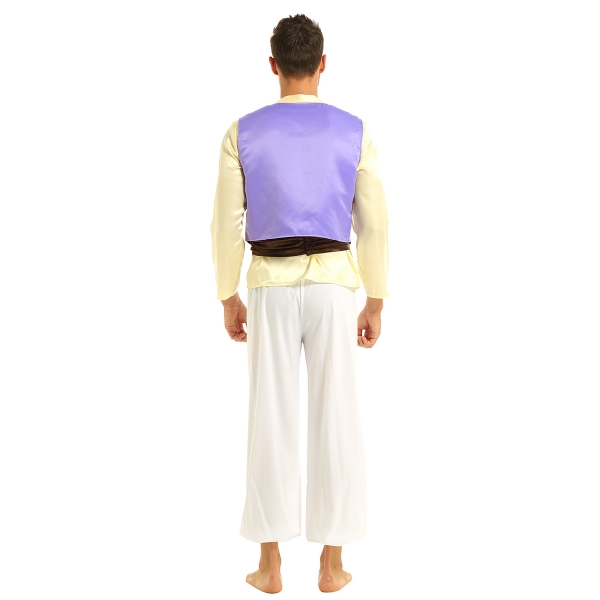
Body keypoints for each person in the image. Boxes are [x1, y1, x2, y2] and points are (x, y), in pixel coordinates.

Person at [210, 14, 389, 594]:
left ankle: (269, 565)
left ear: (273, 66)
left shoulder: (242, 132)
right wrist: (376, 299)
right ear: (322, 64)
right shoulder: (355, 131)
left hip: (269, 285)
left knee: (269, 417)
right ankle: (332, 564)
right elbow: (374, 224)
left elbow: (225, 223)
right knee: (337, 416)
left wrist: (228, 294)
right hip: (335, 288)